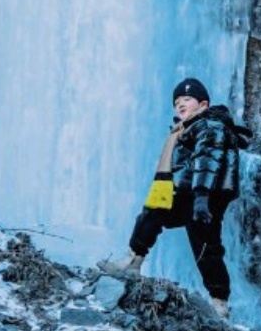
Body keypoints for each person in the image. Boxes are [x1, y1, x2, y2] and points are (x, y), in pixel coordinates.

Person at [101, 78, 249, 316]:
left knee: (206, 246)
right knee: (155, 211)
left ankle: (219, 302)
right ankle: (133, 260)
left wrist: (202, 197)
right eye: (177, 101)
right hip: (189, 195)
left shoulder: (210, 125)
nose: (180, 104)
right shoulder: (185, 130)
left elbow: (207, 161)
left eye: (187, 100)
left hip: (205, 196)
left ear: (203, 104)